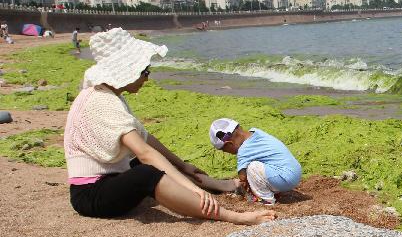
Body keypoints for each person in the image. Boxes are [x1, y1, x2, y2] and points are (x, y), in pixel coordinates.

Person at [64, 28, 275, 225]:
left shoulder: (108, 95)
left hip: (109, 179)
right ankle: (232, 216)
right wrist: (192, 189)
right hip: (91, 194)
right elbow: (145, 153)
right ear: (128, 71)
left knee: (153, 163)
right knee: (145, 172)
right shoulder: (102, 102)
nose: (147, 78)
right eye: (145, 71)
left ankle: (220, 185)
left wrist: (182, 166)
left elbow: (145, 138)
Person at [209, 118, 302, 205]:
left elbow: (242, 177)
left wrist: (244, 187)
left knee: (252, 168)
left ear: (229, 144)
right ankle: (274, 191)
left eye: (225, 150)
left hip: (285, 179)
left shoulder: (243, 151)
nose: (228, 153)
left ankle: (266, 200)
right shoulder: (256, 132)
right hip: (295, 172)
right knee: (260, 167)